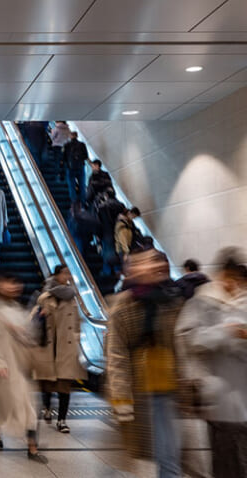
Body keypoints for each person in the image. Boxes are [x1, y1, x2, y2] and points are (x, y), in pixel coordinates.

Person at [106, 248, 184, 478]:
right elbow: (116, 353)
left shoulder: (172, 300)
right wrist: (120, 396)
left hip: (168, 386)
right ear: (131, 270)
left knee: (169, 454)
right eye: (142, 263)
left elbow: (182, 345)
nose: (150, 267)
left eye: (154, 262)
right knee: (136, 457)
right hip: (137, 389)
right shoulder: (123, 304)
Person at [175, 248, 247, 478]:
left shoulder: (244, 302)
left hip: (242, 395)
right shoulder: (202, 302)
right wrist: (226, 332)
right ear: (222, 275)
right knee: (226, 461)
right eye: (231, 278)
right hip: (220, 397)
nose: (234, 285)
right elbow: (189, 339)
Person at [0, 271, 48, 462]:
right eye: (7, 283)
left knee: (29, 408)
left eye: (15, 283)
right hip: (4, 369)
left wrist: (31, 328)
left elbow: (31, 337)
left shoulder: (20, 311)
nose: (12, 287)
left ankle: (32, 447)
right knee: (1, 408)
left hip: (21, 367)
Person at [32, 265, 86, 433]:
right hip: (48, 345)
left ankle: (62, 420)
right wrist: (40, 315)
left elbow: (77, 321)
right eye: (65, 273)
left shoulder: (72, 296)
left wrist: (76, 336)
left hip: (66, 346)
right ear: (56, 275)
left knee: (64, 385)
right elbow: (34, 319)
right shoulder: (45, 296)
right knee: (47, 382)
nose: (68, 276)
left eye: (69, 273)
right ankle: (47, 408)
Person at [63, 131, 89, 205]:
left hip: (70, 168)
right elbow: (86, 156)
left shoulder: (67, 145)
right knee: (82, 186)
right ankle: (83, 204)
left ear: (70, 136)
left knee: (72, 186)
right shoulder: (82, 145)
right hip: (81, 167)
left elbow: (64, 158)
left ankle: (74, 204)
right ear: (77, 136)